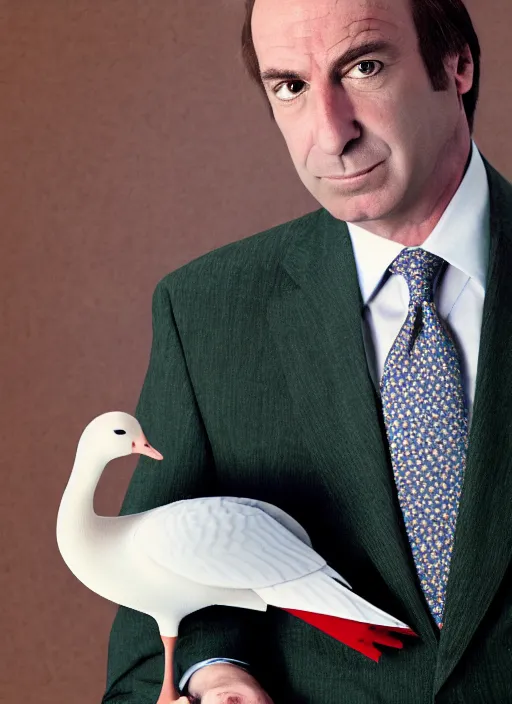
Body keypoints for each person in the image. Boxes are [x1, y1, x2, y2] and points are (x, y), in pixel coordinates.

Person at [102, 0, 512, 701]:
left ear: (458, 64)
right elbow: (156, 627)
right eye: (290, 86)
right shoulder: (208, 314)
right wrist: (211, 673)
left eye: (365, 67)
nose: (331, 133)